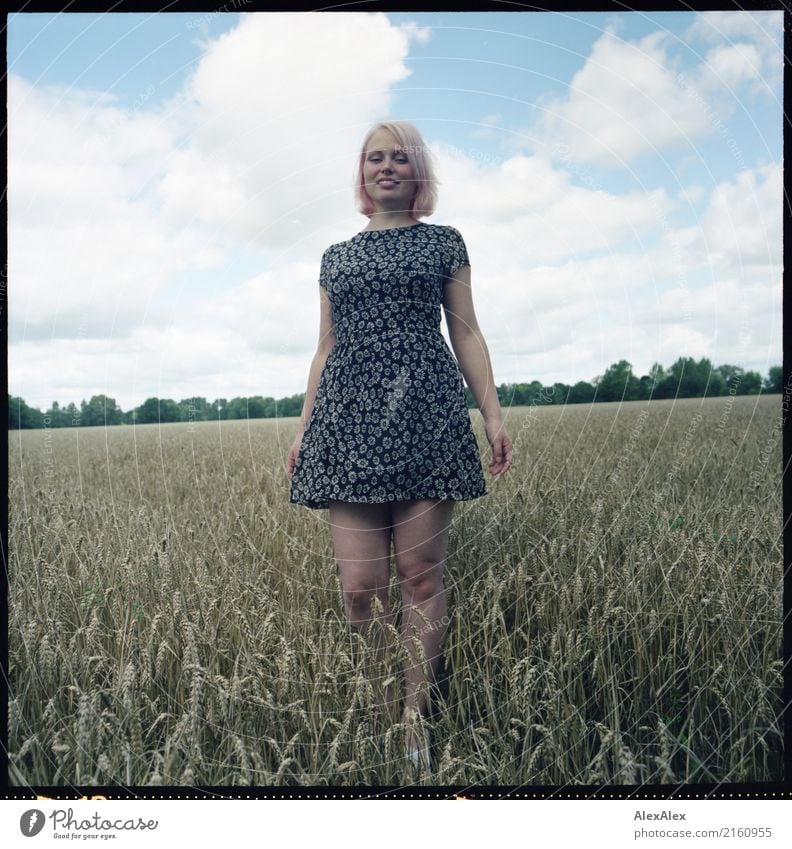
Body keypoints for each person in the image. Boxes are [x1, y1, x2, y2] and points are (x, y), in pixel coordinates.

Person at [287, 120, 513, 771]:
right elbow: (325, 347)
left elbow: (466, 331)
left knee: (420, 576)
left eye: (399, 159)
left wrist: (492, 415)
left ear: (417, 173)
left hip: (428, 416)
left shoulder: (444, 242)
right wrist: (305, 428)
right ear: (361, 174)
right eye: (374, 158)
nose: (386, 167)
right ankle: (386, 707)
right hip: (347, 423)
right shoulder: (335, 257)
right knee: (361, 588)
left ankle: (415, 719)